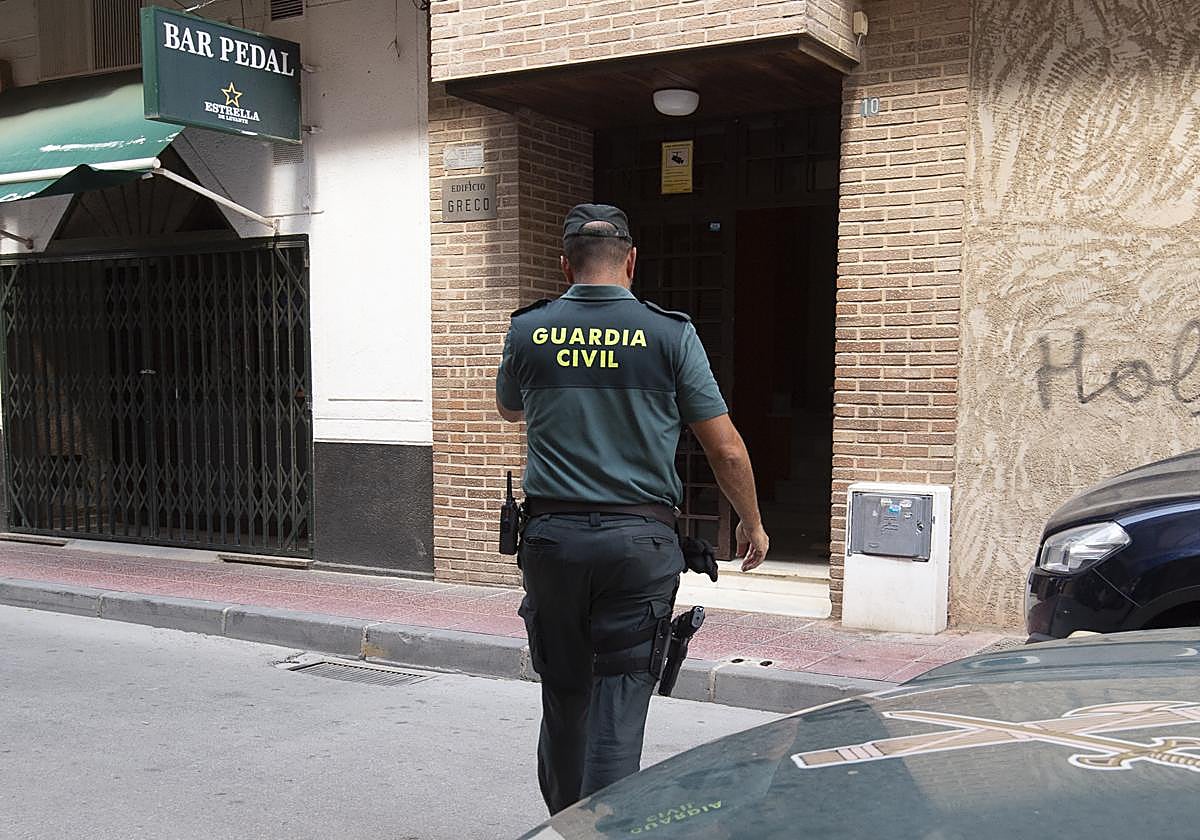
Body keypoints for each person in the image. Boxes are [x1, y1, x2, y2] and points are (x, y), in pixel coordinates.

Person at [495, 203, 770, 815]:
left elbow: (511, 408)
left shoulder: (528, 330)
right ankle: (610, 827)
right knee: (620, 696)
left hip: (552, 541)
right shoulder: (669, 333)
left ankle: (566, 825)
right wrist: (751, 523)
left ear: (564, 264)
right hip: (638, 544)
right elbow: (723, 447)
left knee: (565, 693)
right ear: (632, 261)